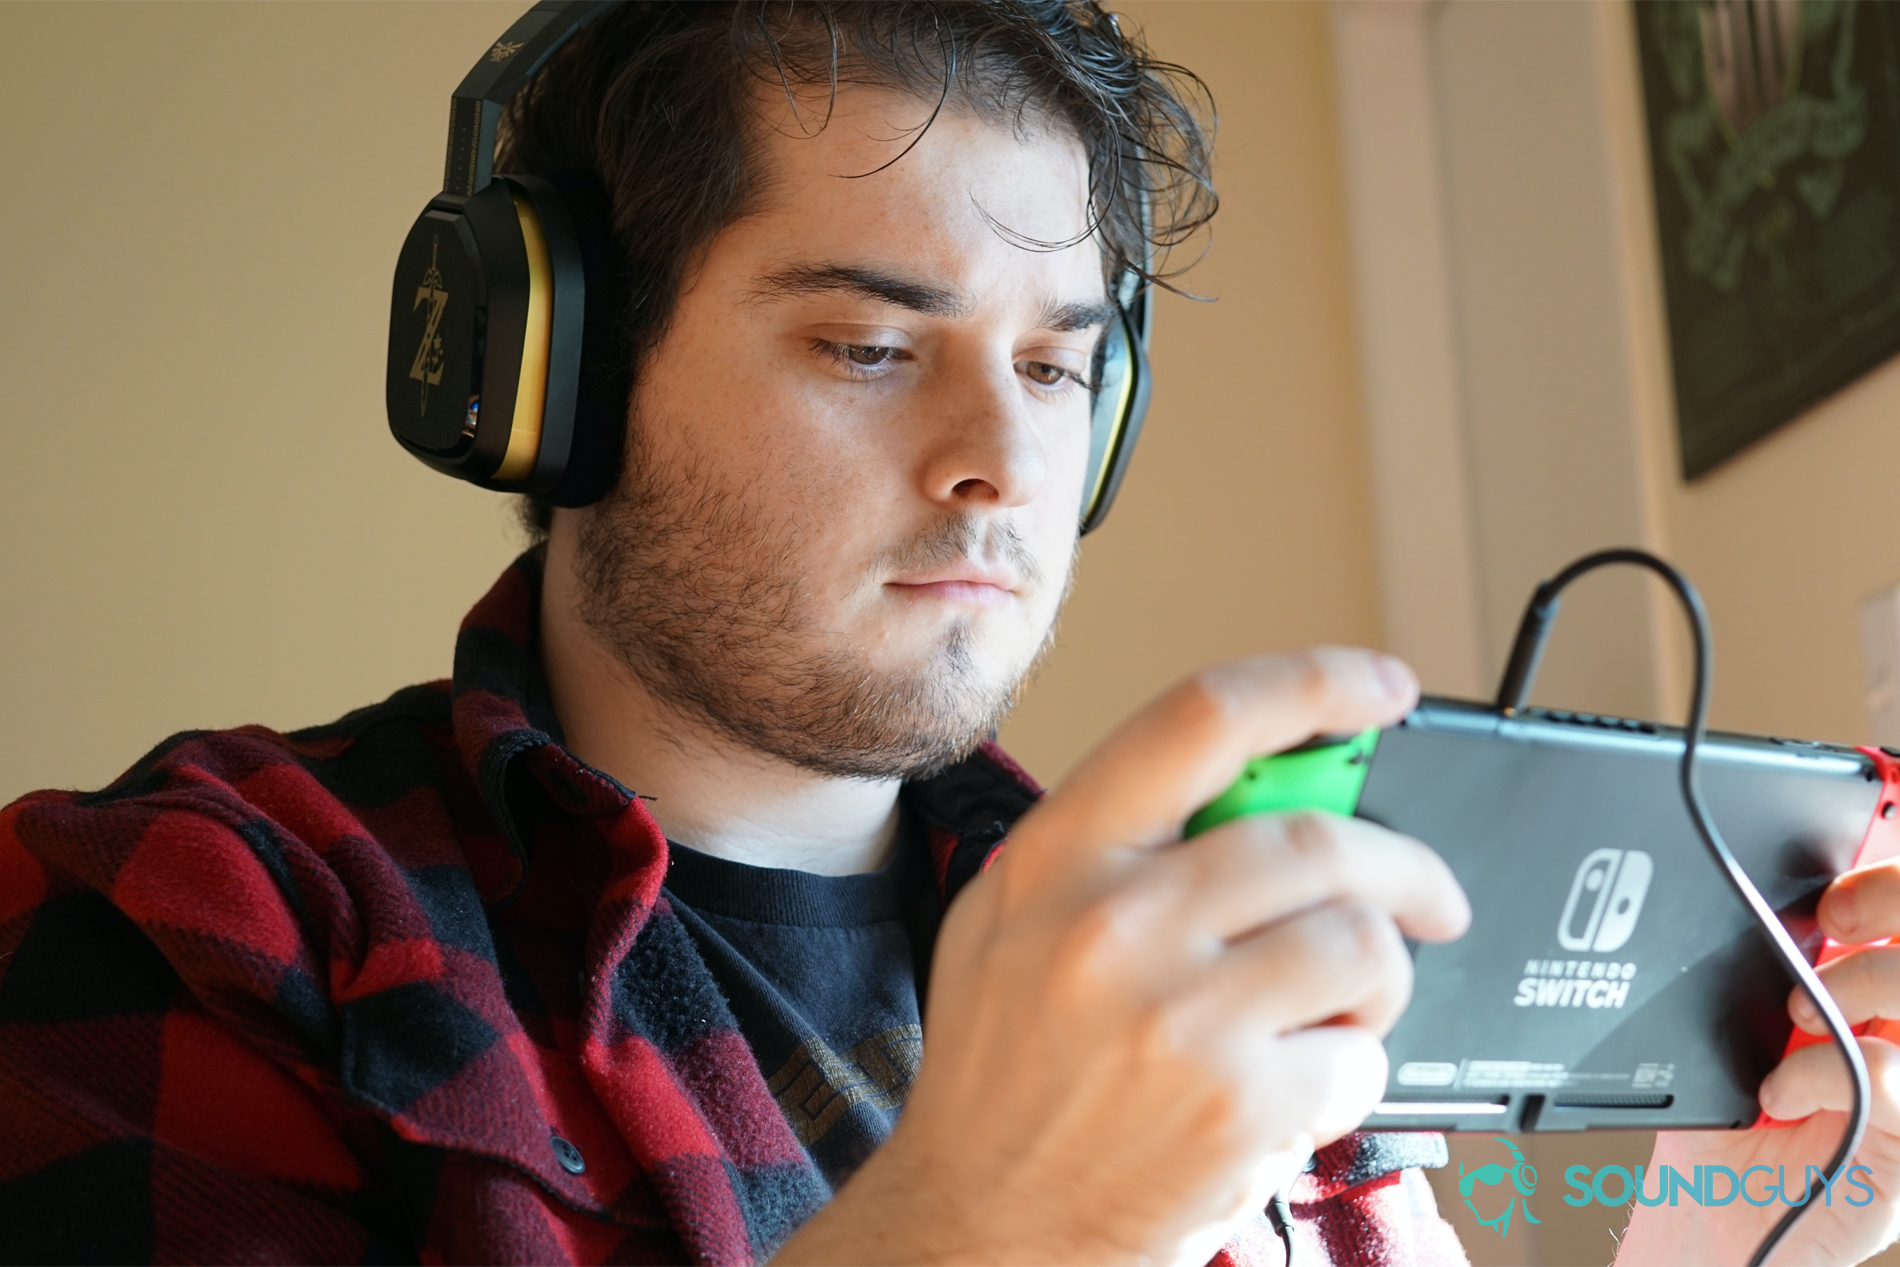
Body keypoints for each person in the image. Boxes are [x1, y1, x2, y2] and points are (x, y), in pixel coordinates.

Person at [2, 3, 1898, 1265]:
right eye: (870, 344)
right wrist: (983, 1225)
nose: (1007, 462)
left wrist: (1744, 1236)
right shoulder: (193, 921)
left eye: (1062, 367)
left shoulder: (1230, 942)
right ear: (554, 374)